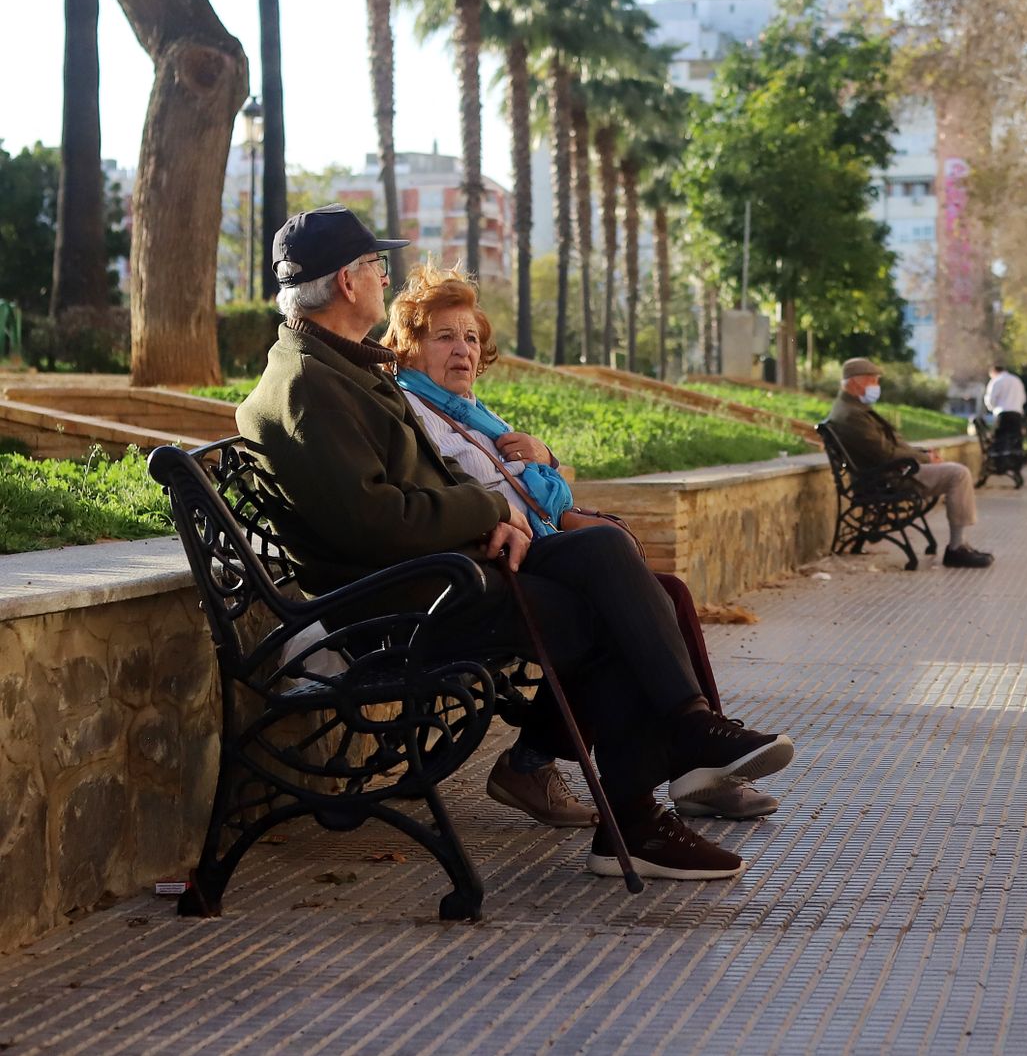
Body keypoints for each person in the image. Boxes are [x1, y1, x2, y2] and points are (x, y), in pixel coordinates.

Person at [237, 205, 794, 879]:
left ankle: (686, 732)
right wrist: (487, 506)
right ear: (348, 283)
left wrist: (492, 513)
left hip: (448, 568)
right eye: (377, 267)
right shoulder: (307, 385)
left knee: (606, 553)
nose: (386, 278)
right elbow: (375, 520)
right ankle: (643, 808)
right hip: (410, 600)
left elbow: (424, 481)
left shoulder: (338, 368)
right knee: (601, 614)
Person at [382, 262, 780, 824]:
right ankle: (675, 753)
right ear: (409, 346)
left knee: (669, 593)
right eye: (444, 336)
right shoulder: (412, 409)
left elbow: (530, 485)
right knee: (611, 586)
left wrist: (543, 456)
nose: (463, 350)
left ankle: (696, 765)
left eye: (471, 337)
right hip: (486, 563)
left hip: (533, 547)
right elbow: (458, 495)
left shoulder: (471, 411)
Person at [825, 356, 993, 568]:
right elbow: (886, 453)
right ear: (856, 382)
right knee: (958, 474)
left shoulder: (852, 409)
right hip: (888, 478)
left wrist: (923, 454)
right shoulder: (852, 415)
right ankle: (956, 548)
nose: (876, 387)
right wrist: (925, 458)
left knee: (953, 471)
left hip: (887, 473)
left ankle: (960, 545)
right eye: (873, 381)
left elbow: (888, 448)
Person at [983, 362, 1027, 455]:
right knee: (1015, 440)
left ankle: (1001, 464)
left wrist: (992, 409)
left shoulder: (996, 381)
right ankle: (1015, 463)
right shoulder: (1017, 380)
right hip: (1017, 413)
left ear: (993, 372)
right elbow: (1023, 398)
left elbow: (990, 400)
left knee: (1000, 440)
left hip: (1002, 413)